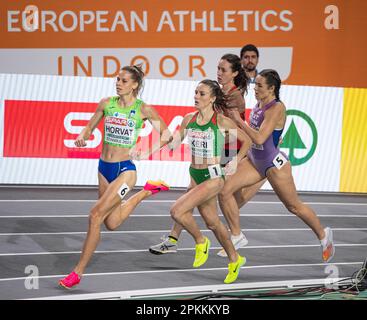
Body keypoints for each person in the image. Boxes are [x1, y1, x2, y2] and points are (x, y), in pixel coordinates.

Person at [59, 65, 173, 289]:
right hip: (103, 168)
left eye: (123, 80)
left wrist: (146, 150)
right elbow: (89, 128)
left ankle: (77, 272)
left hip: (125, 171)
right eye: (117, 79)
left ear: (134, 85)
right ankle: (146, 191)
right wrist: (83, 136)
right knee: (111, 223)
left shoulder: (144, 109)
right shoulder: (106, 103)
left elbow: (168, 135)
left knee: (95, 215)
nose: (118, 83)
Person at [149, 54, 263, 256]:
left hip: (227, 148)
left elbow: (235, 130)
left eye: (224, 70)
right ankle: (175, 238)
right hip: (215, 147)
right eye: (218, 69)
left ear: (235, 73)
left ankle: (235, 234)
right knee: (197, 192)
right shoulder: (218, 92)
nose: (219, 73)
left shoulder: (234, 96)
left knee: (219, 193)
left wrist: (233, 160)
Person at [218, 69, 335, 263]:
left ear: (272, 88)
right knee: (225, 191)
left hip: (274, 164)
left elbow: (260, 137)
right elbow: (255, 135)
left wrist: (240, 121)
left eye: (260, 86)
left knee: (293, 206)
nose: (255, 89)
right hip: (254, 160)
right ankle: (237, 236)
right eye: (255, 85)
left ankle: (324, 236)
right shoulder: (259, 103)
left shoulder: (276, 108)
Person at [168, 79, 252, 283]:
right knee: (213, 223)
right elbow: (175, 142)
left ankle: (200, 241)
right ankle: (235, 259)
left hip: (214, 176)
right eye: (196, 92)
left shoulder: (222, 122)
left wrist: (233, 161)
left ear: (213, 98)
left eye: (202, 93)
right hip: (195, 175)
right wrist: (167, 138)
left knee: (177, 211)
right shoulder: (189, 119)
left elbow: (246, 142)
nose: (196, 96)